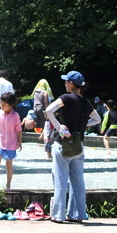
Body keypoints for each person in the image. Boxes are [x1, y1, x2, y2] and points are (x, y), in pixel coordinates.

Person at [45, 71, 100, 223]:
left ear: (71, 84)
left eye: (66, 81)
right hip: (79, 145)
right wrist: (82, 126)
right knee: (78, 181)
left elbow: (48, 111)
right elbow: (97, 119)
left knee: (61, 179)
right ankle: (78, 214)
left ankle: (58, 215)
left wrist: (59, 127)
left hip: (63, 144)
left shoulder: (66, 97)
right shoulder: (85, 102)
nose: (64, 84)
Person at [0, 91, 23, 189]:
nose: (2, 106)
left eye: (4, 105)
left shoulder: (15, 115)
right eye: (1, 103)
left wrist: (20, 142)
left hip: (11, 143)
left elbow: (19, 130)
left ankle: (8, 184)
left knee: (9, 164)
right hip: (0, 142)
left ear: (11, 105)